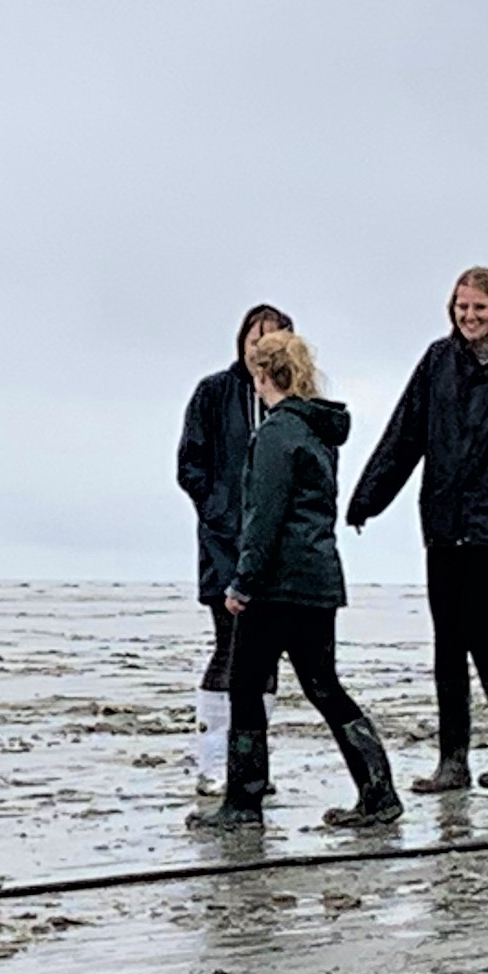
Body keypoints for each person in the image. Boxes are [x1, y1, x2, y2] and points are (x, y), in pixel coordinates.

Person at [345, 267, 488, 793]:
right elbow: (405, 433)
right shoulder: (438, 361)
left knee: (479, 628)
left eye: (479, 308)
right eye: (462, 307)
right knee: (447, 639)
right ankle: (453, 760)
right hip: (445, 519)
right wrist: (367, 497)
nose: (470, 317)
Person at [197, 329, 402, 830]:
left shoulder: (275, 434)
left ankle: (243, 803)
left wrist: (242, 583)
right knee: (323, 686)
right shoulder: (316, 431)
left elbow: (263, 517)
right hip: (318, 584)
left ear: (262, 375)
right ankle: (379, 790)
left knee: (245, 688)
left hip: (275, 587)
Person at [177, 305, 295, 792]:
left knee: (265, 655)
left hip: (276, 551)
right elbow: (191, 467)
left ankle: (250, 767)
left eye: (273, 339)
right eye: (255, 336)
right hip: (224, 546)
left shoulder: (293, 400)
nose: (260, 346)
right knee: (229, 646)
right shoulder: (213, 392)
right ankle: (211, 764)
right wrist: (224, 518)